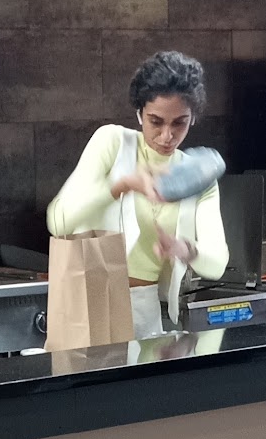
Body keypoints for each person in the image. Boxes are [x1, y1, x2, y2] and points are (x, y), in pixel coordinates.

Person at [47, 50, 228, 340]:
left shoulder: (196, 176)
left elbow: (217, 264)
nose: (167, 136)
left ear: (192, 118)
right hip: (90, 302)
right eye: (156, 121)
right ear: (139, 113)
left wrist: (185, 250)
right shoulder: (113, 143)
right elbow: (58, 221)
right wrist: (122, 185)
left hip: (145, 310)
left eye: (179, 123)